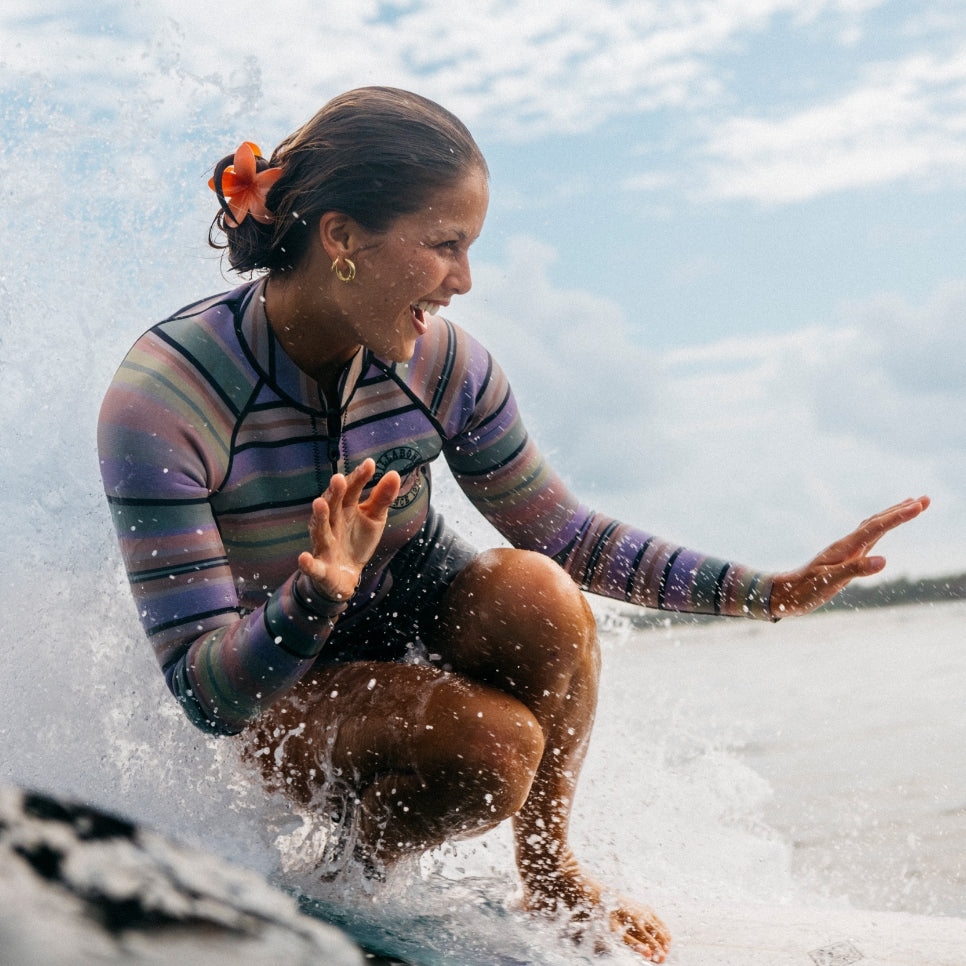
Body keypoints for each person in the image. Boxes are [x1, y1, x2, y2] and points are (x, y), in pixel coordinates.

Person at [97, 86, 928, 963]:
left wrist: (767, 592)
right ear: (341, 238)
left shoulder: (444, 362)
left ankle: (551, 872)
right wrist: (315, 593)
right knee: (491, 751)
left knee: (541, 589)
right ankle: (342, 889)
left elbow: (565, 534)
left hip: (408, 609)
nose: (464, 281)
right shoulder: (168, 399)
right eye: (444, 246)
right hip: (278, 681)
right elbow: (207, 698)